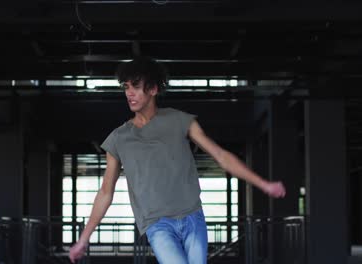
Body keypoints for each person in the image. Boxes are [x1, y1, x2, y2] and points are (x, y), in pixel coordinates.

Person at [69, 57, 286, 264]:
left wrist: (263, 184)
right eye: (126, 87)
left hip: (193, 217)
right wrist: (84, 239)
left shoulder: (180, 120)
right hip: (157, 225)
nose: (129, 93)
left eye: (135, 86)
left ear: (153, 89)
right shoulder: (118, 138)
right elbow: (106, 191)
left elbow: (220, 155)